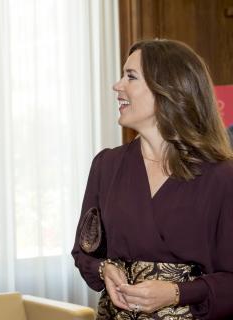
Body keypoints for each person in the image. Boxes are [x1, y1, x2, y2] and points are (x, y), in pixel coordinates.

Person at [72, 39, 233, 319]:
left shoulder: (222, 176)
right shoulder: (106, 165)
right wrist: (104, 269)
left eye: (130, 77)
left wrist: (177, 293)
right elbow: (85, 251)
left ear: (168, 89)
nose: (117, 85)